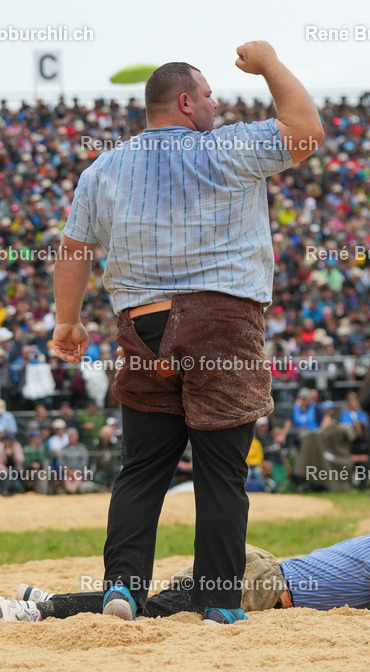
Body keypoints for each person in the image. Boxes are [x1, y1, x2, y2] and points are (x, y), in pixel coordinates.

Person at [52, 41, 323, 625]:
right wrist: (271, 64)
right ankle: (219, 601)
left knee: (141, 469)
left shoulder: (103, 167)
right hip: (221, 324)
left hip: (141, 326)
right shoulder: (227, 147)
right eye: (208, 94)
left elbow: (74, 249)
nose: (216, 104)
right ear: (184, 102)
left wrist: (67, 321)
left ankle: (122, 588)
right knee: (222, 472)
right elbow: (306, 131)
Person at [0, 533, 370, 623]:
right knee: (153, 611)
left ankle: (48, 597)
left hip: (261, 566)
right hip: (265, 584)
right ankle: (37, 610)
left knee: (161, 603)